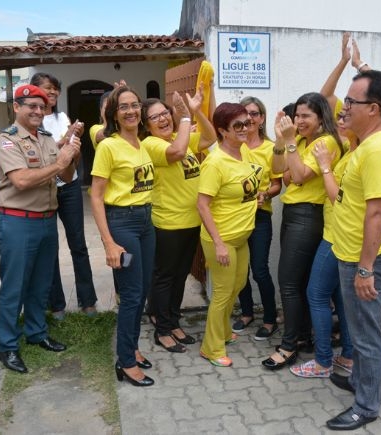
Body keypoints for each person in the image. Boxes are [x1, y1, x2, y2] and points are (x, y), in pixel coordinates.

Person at [326, 70, 381, 431]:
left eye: (351, 102)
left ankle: (367, 405)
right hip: (354, 252)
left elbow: (377, 211)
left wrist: (365, 269)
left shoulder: (377, 149)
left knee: (365, 335)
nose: (344, 107)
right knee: (360, 330)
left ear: (373, 108)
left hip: (365, 257)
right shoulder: (376, 142)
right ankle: (361, 382)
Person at [0, 85, 80, 374]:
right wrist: (60, 162)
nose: (38, 111)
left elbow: (65, 176)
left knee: (41, 283)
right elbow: (21, 180)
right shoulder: (7, 141)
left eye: (42, 107)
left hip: (46, 220)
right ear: (16, 107)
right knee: (14, 286)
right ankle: (6, 345)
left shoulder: (46, 139)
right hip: (18, 221)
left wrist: (71, 155)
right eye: (31, 105)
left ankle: (37, 332)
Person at [262, 93, 343, 371]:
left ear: (322, 117)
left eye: (306, 115)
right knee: (298, 282)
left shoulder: (326, 142)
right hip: (295, 214)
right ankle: (303, 336)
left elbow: (295, 177)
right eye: (297, 115)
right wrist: (281, 141)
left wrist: (291, 146)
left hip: (308, 216)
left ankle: (289, 344)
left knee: (289, 283)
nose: (299, 120)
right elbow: (278, 172)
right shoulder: (304, 142)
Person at [90, 85, 155, 386]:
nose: (131, 111)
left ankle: (133, 346)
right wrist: (109, 242)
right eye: (123, 107)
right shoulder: (108, 146)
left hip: (145, 220)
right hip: (123, 224)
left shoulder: (140, 143)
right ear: (114, 115)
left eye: (135, 105)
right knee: (131, 295)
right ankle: (126, 362)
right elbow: (96, 196)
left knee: (141, 291)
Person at [141, 89, 216, 352]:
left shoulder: (177, 135)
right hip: (168, 223)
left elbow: (210, 137)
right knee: (165, 277)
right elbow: (177, 152)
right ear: (146, 125)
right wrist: (184, 119)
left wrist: (194, 112)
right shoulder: (152, 144)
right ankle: (162, 329)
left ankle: (172, 321)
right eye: (155, 117)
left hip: (191, 221)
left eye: (165, 113)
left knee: (181, 275)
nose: (163, 119)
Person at [289, 109, 354, 378]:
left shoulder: (350, 154)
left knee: (316, 294)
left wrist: (326, 166)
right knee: (340, 298)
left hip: (338, 235)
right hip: (337, 232)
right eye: (339, 117)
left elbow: (338, 198)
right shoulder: (351, 151)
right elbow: (287, 175)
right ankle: (348, 356)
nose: (341, 121)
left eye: (347, 117)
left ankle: (323, 361)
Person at [30, 73, 98, 319]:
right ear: (33, 89)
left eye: (56, 89)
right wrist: (66, 137)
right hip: (44, 188)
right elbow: (42, 154)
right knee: (49, 247)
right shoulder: (31, 121)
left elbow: (73, 153)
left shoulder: (62, 117)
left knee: (78, 244)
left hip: (69, 187)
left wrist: (74, 141)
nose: (53, 93)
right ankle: (56, 304)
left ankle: (88, 301)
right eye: (48, 88)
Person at [197, 102, 260, 367]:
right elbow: (202, 204)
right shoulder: (216, 162)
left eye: (247, 123)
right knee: (222, 293)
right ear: (223, 130)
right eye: (238, 125)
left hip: (241, 236)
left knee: (238, 286)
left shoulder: (243, 153)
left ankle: (223, 332)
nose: (245, 129)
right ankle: (211, 348)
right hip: (220, 239)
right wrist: (220, 244)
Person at [231, 96, 282, 340]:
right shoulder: (233, 147)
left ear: (262, 118)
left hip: (260, 215)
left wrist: (265, 194)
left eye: (254, 113)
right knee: (240, 269)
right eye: (244, 114)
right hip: (236, 216)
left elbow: (277, 185)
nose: (249, 118)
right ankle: (247, 312)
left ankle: (270, 318)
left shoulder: (271, 149)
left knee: (259, 269)